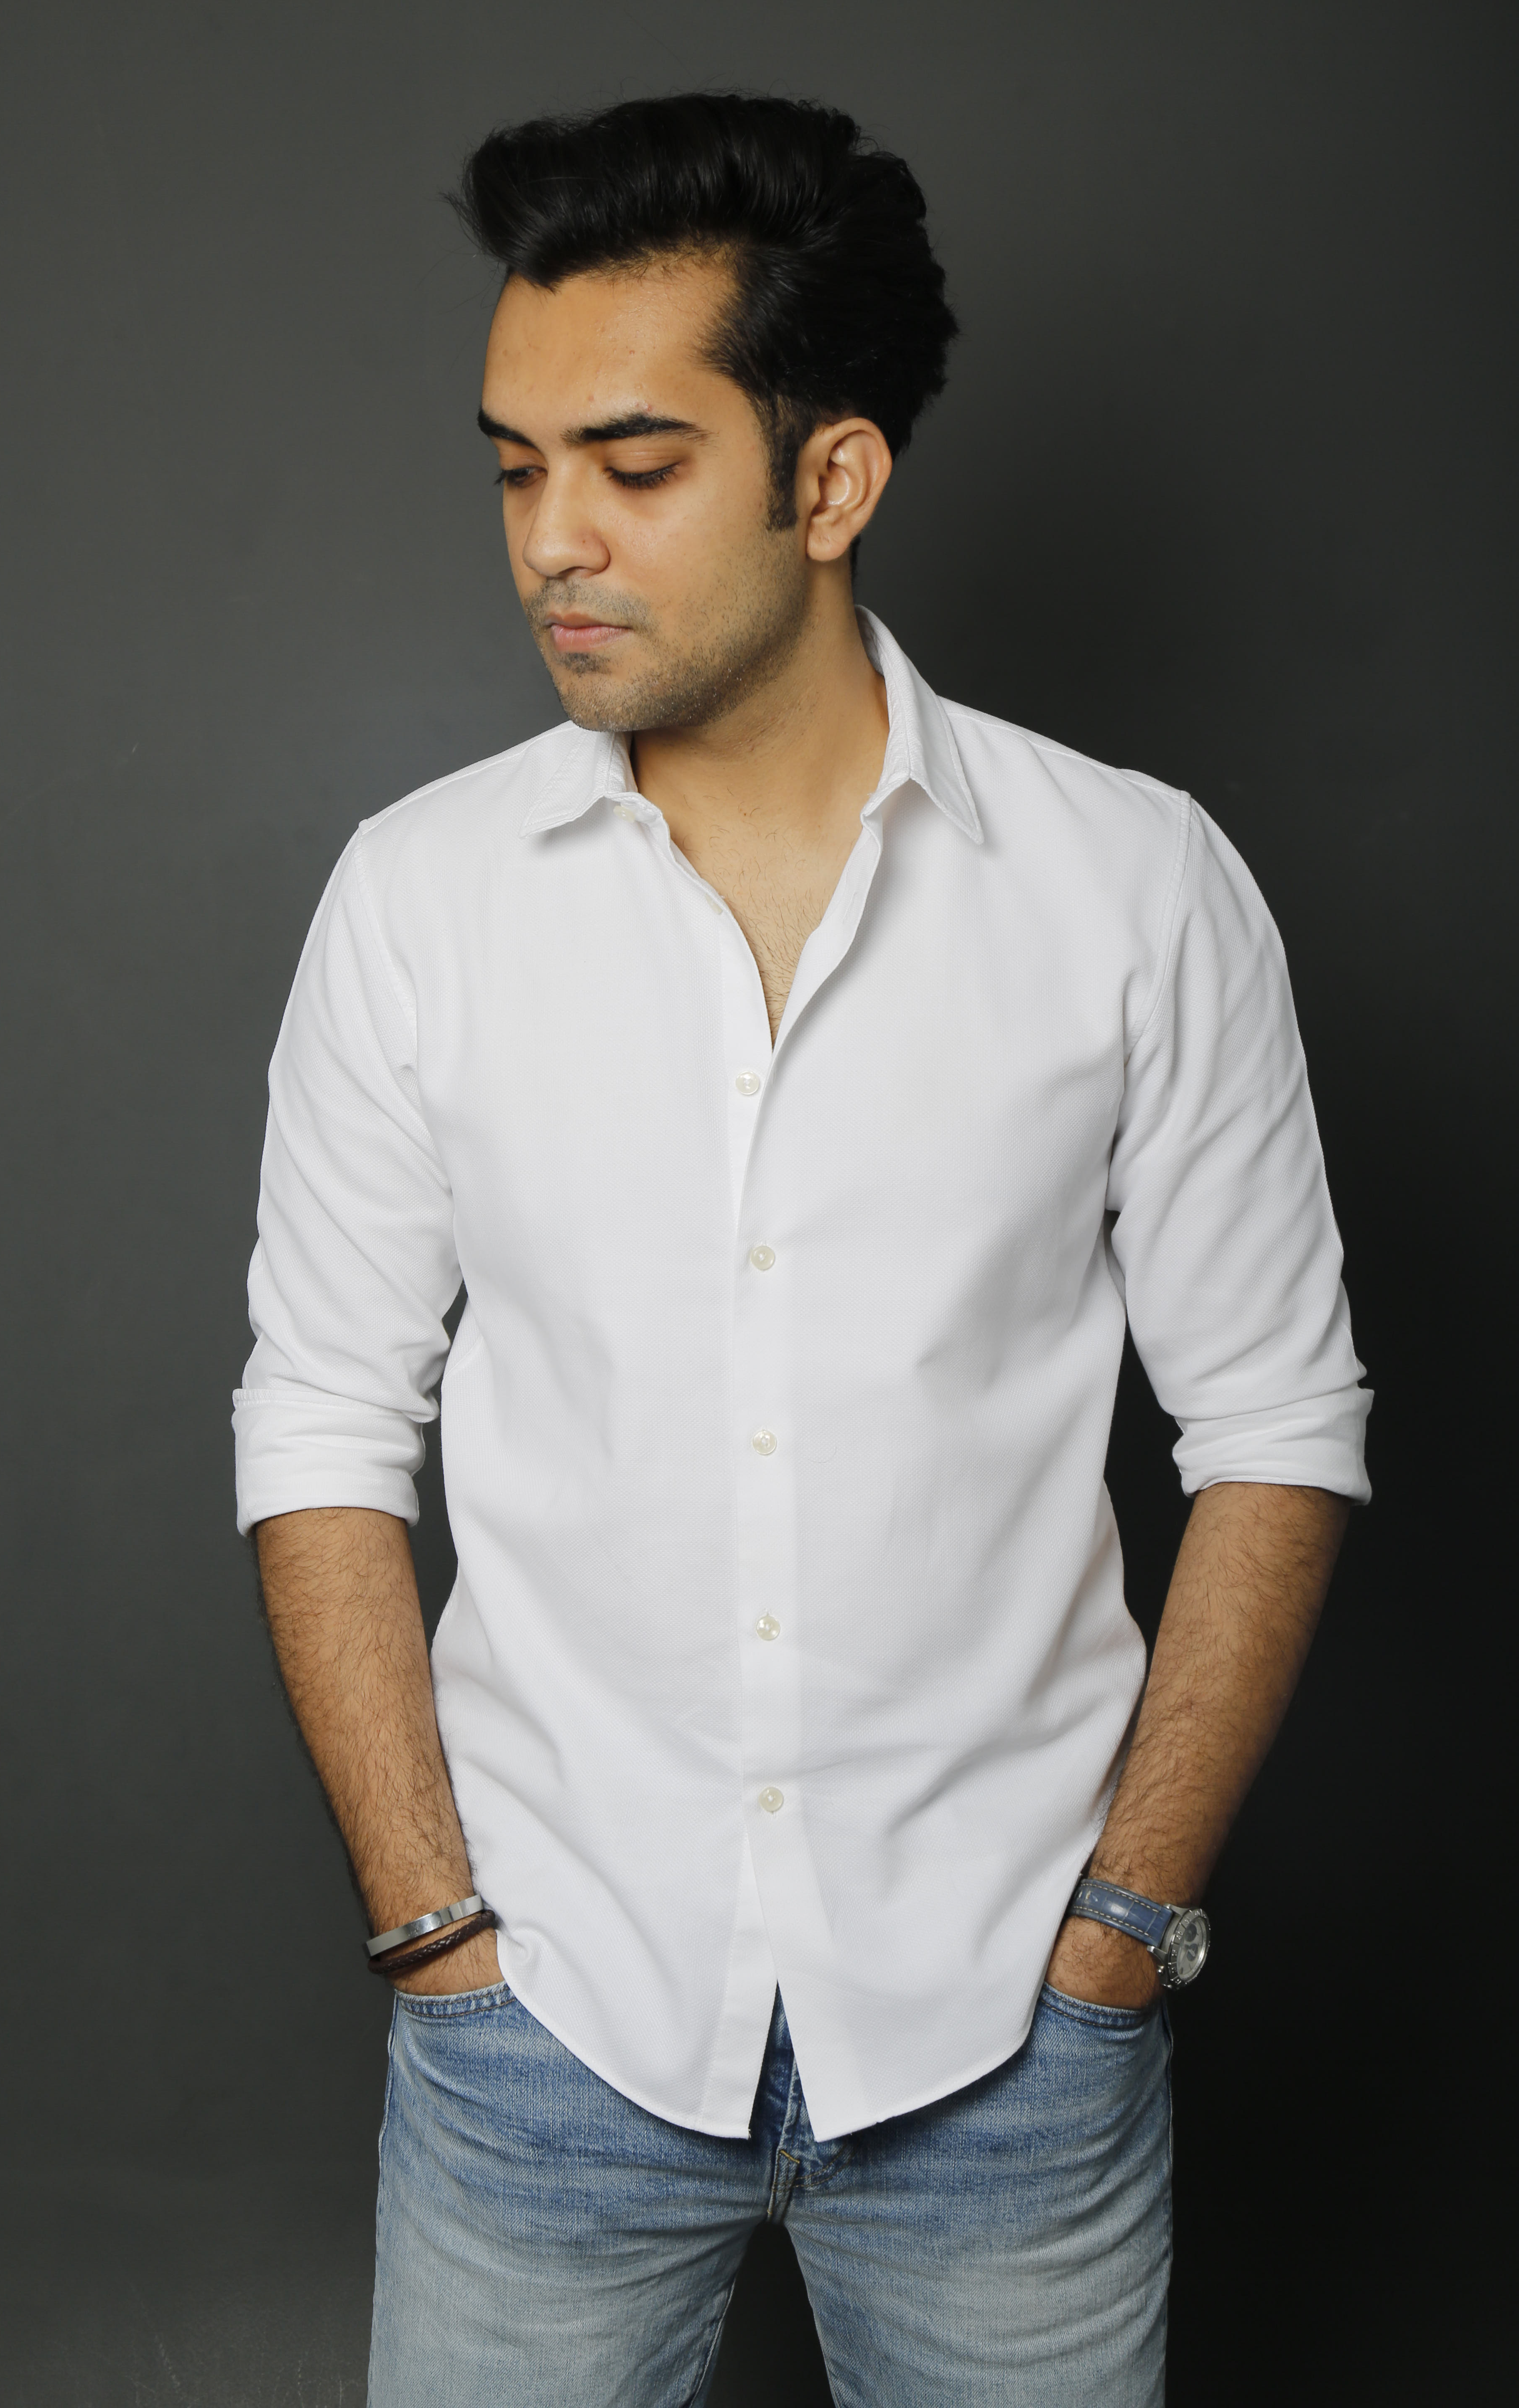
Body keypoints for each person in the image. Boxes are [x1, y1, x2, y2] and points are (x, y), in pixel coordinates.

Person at [235, 92, 1369, 2407]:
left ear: (832, 479)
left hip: (1011, 2044)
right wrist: (435, 1933)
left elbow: (1276, 1425)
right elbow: (323, 1419)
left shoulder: (1135, 887)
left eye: (635, 466)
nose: (553, 540)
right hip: (544, 2031)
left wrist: (1124, 1932)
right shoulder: (419, 902)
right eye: (516, 469)